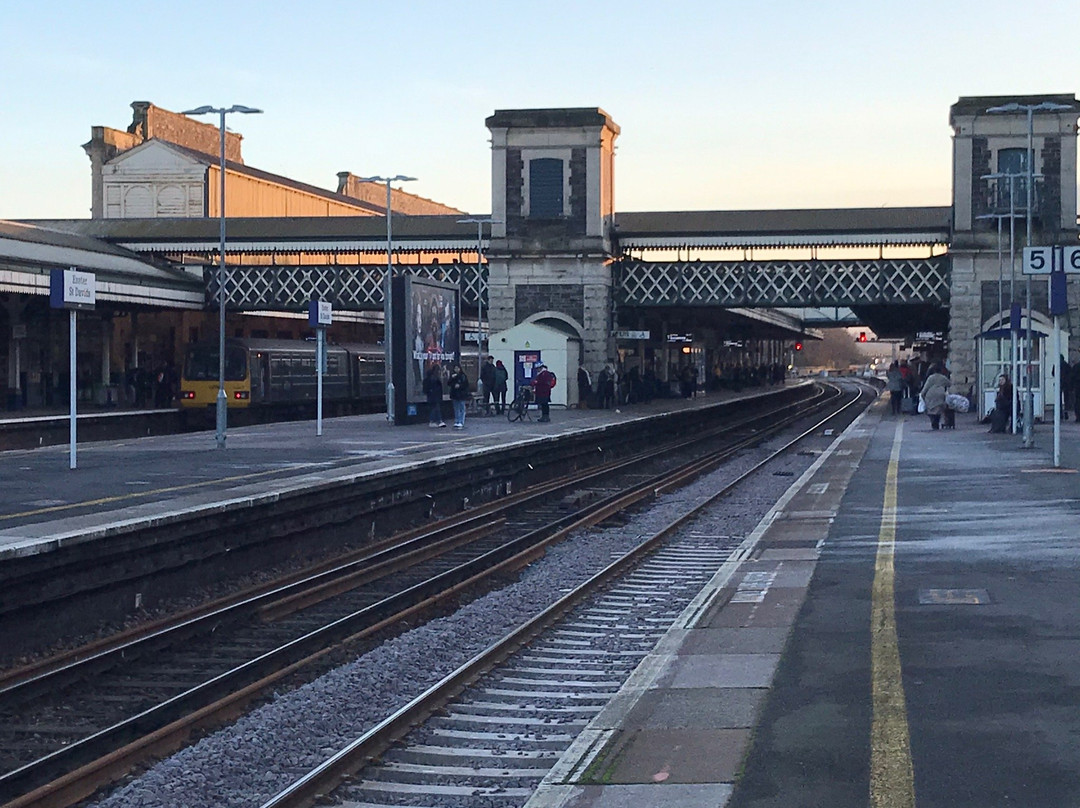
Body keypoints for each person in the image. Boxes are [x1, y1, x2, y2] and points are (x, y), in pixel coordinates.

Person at [920, 364, 950, 430]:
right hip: (940, 394)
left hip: (931, 394)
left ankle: (933, 422)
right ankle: (936, 421)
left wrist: (922, 394)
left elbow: (926, 387)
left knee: (931, 409)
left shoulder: (931, 378)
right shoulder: (943, 377)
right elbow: (949, 383)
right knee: (938, 409)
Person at [448, 363, 471, 429]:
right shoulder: (453, 376)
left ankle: (461, 421)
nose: (456, 370)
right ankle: (457, 421)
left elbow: (465, 385)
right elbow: (449, 383)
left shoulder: (463, 376)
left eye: (457, 368)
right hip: (455, 394)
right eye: (455, 368)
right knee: (456, 408)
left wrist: (460, 386)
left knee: (461, 408)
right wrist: (452, 378)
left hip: (461, 394)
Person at [423, 363, 446, 428]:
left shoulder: (430, 378)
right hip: (434, 396)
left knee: (434, 408)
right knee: (435, 408)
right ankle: (436, 420)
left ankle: (436, 421)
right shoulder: (434, 378)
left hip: (432, 396)